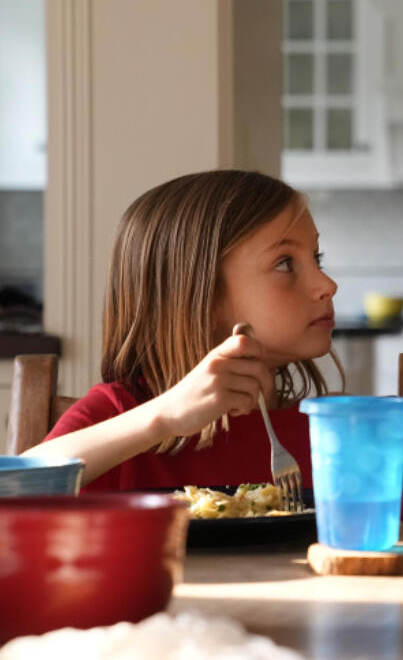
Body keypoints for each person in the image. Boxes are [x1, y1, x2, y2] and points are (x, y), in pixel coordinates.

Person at [24, 170, 340, 490]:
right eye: (285, 263)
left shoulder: (334, 431)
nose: (328, 285)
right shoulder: (122, 415)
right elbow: (9, 491)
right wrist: (162, 418)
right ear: (197, 294)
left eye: (317, 258)